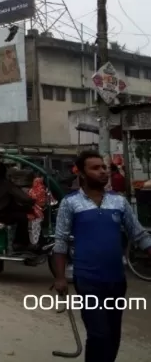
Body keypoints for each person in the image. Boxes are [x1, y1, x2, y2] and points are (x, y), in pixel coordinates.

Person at [53, 150, 151, 362]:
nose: (103, 172)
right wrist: (60, 278)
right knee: (98, 334)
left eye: (104, 167)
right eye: (95, 168)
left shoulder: (119, 202)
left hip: (116, 279)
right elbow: (60, 241)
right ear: (81, 173)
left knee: (113, 334)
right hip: (87, 279)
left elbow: (139, 234)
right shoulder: (70, 203)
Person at [0, 163, 34, 247]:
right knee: (22, 217)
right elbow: (23, 197)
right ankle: (20, 243)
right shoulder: (6, 184)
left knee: (18, 212)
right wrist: (32, 200)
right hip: (0, 215)